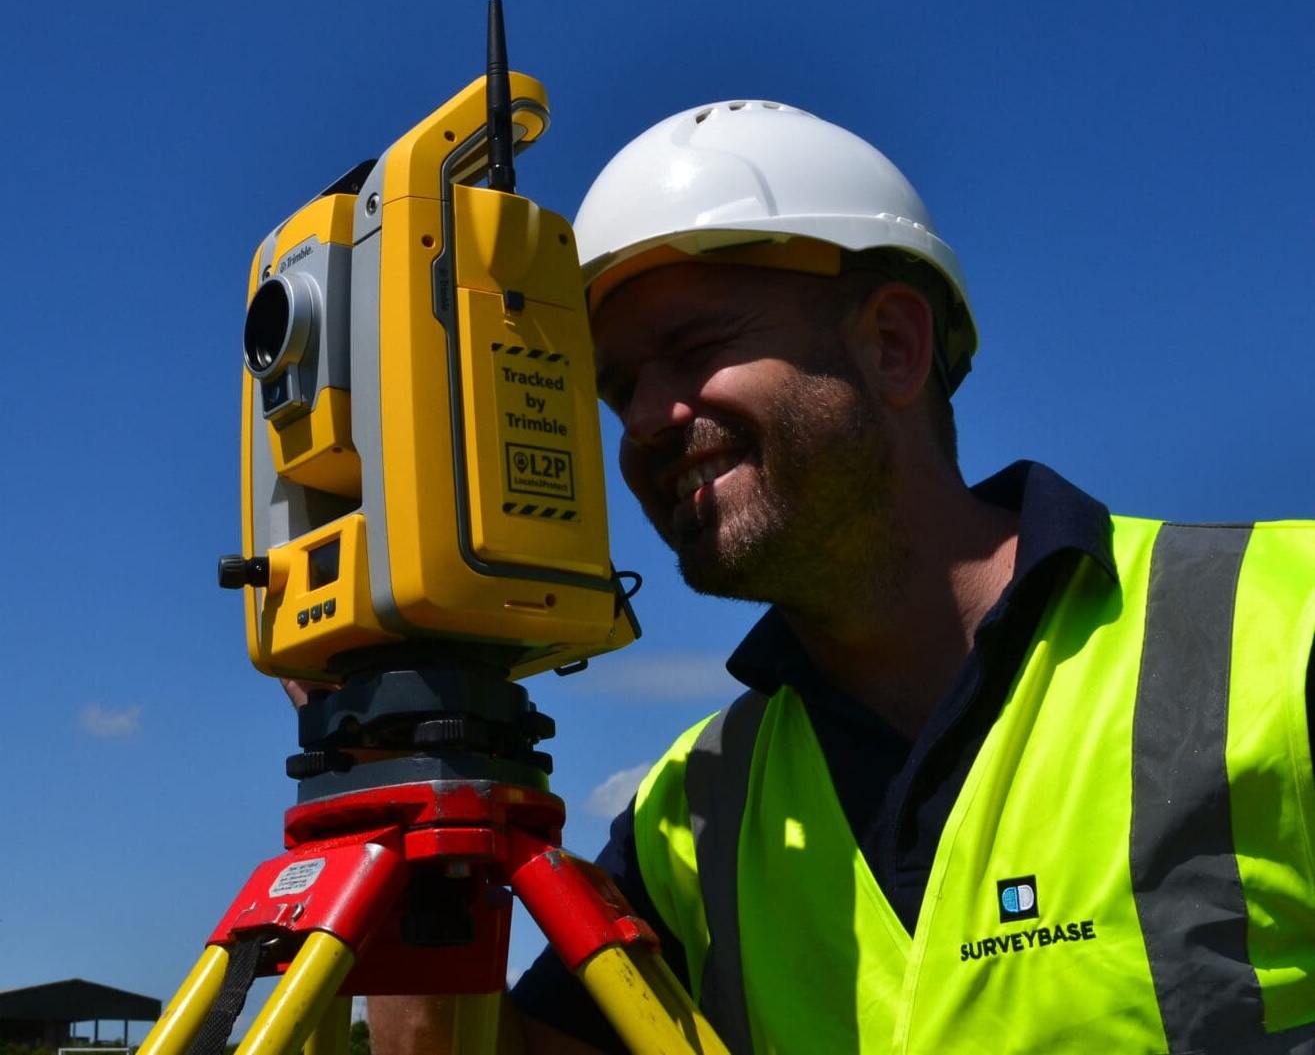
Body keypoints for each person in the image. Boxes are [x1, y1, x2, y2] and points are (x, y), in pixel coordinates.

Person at [379, 100, 1315, 1054]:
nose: (650, 417)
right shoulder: (698, 804)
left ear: (893, 346)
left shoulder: (1284, 619)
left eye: (697, 348)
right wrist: (398, 735)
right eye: (619, 389)